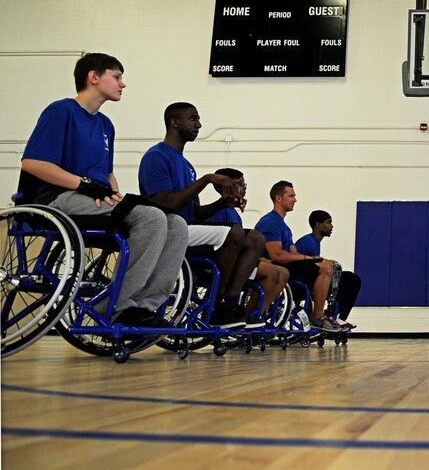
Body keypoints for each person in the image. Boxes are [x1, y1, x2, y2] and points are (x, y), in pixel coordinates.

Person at [20, 53, 187, 327]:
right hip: (57, 198)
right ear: (94, 77)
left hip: (94, 197)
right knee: (151, 218)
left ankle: (145, 307)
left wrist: (115, 196)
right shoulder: (60, 111)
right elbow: (33, 163)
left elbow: (106, 173)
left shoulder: (106, 125)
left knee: (177, 224)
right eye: (117, 77)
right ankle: (117, 306)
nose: (123, 84)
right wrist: (84, 185)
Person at [138, 102, 264, 329]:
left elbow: (194, 212)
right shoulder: (155, 157)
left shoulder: (186, 165)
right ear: (175, 123)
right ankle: (215, 304)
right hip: (167, 230)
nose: (199, 124)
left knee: (255, 239)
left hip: (189, 230)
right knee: (233, 233)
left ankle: (228, 303)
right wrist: (206, 180)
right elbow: (165, 204)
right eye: (193, 118)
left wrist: (223, 204)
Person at [204, 168, 290, 322]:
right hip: (222, 265)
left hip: (236, 261)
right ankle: (233, 308)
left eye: (245, 184)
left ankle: (249, 314)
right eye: (239, 184)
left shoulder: (234, 214)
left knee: (282, 273)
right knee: (274, 272)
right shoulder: (218, 213)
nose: (243, 188)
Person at [254, 181, 340, 333]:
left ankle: (331, 315)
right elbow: (277, 255)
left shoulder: (285, 227)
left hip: (286, 266)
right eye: (291, 196)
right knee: (325, 266)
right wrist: (312, 260)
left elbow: (294, 254)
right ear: (278, 198)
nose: (295, 199)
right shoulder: (269, 222)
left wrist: (315, 259)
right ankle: (317, 318)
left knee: (330, 266)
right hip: (275, 268)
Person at [295, 210, 362, 330]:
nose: (332, 226)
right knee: (346, 279)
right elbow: (297, 264)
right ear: (317, 224)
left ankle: (339, 317)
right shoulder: (306, 242)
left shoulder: (315, 242)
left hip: (316, 279)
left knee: (352, 279)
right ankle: (320, 316)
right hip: (304, 282)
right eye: (328, 223)